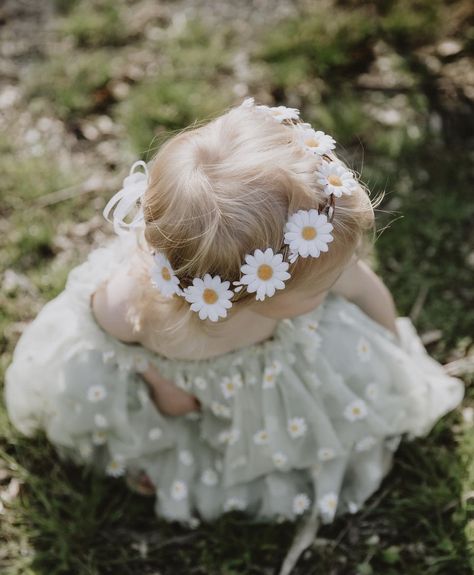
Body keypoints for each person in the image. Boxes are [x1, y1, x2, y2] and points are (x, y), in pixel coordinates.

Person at [4, 99, 464, 574]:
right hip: (186, 396)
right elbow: (101, 335)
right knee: (168, 428)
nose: (335, 285)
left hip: (279, 383)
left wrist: (389, 349)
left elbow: (368, 294)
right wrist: (160, 382)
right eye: (320, 289)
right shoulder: (134, 307)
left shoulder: (313, 257)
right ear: (254, 293)